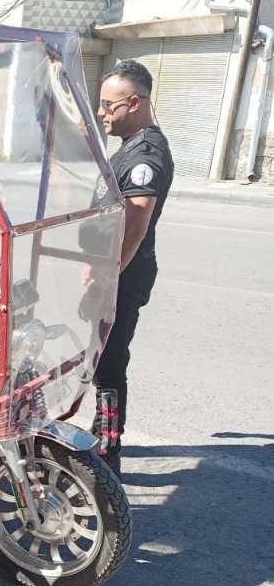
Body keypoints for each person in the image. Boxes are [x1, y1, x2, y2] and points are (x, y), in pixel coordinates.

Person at [93, 59, 174, 477]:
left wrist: (106, 279)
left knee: (108, 364)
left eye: (108, 106)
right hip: (113, 272)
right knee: (100, 358)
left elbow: (135, 228)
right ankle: (104, 434)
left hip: (121, 276)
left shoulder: (146, 155)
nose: (103, 113)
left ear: (134, 102)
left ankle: (107, 453)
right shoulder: (132, 146)